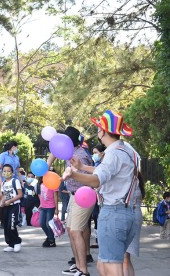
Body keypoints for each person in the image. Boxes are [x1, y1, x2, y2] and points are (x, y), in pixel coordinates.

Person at [63, 110, 138, 276]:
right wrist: (82, 167)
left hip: (113, 213)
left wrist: (74, 174)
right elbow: (106, 171)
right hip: (124, 212)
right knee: (103, 266)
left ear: (103, 131)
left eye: (99, 128)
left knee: (111, 268)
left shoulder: (112, 154)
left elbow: (97, 179)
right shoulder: (124, 151)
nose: (97, 131)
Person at [50, 126, 93, 276]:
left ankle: (83, 270)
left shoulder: (79, 155)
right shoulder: (71, 154)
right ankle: (78, 265)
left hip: (83, 196)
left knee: (76, 231)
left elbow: (85, 178)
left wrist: (69, 175)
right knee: (71, 230)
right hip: (74, 196)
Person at [123, 172, 145, 276]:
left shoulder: (132, 181)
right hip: (133, 215)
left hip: (130, 216)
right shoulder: (136, 180)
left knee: (124, 258)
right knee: (125, 258)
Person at [0, 141, 21, 228]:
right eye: (16, 147)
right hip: (5, 181)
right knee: (4, 200)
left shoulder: (16, 157)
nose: (17, 149)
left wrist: (21, 181)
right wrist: (0, 182)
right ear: (12, 147)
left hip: (14, 181)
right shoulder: (3, 155)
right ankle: (3, 220)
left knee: (15, 199)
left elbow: (18, 170)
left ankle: (15, 219)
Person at [0, 164, 23, 253]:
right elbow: (4, 194)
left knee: (11, 225)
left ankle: (17, 242)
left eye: (8, 171)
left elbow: (20, 195)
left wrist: (10, 201)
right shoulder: (3, 183)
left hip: (14, 206)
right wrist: (2, 201)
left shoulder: (15, 181)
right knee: (6, 225)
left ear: (12, 173)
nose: (6, 173)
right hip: (6, 207)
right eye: (4, 171)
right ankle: (10, 244)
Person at [89, 144, 106, 249]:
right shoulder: (95, 164)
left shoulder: (105, 165)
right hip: (94, 195)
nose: (93, 155)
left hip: (103, 196)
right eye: (93, 152)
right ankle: (97, 239)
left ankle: (101, 240)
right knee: (95, 216)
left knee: (100, 217)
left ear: (102, 153)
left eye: (95, 153)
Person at [39, 173, 59, 247]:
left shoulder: (53, 185)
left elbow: (55, 196)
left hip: (50, 207)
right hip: (43, 207)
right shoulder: (42, 185)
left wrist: (57, 208)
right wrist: (40, 205)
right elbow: (41, 196)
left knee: (48, 223)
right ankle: (50, 238)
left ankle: (51, 240)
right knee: (41, 223)